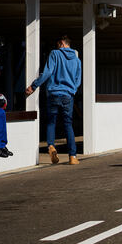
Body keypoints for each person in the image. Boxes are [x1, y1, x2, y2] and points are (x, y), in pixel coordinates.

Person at [26, 36, 82, 165]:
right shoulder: (77, 60)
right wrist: (72, 90)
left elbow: (47, 72)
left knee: (51, 122)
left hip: (53, 94)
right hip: (68, 95)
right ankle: (72, 157)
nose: (57, 47)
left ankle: (51, 146)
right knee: (68, 124)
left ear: (62, 43)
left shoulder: (55, 54)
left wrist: (33, 86)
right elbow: (78, 80)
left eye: (58, 45)